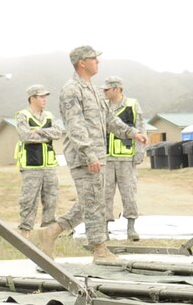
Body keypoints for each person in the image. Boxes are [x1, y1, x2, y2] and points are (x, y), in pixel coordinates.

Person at [40, 46, 143, 262]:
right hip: (85, 157)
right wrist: (89, 155)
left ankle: (51, 232)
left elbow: (109, 120)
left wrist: (133, 133)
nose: (98, 62)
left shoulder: (95, 90)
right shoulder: (71, 90)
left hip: (98, 156)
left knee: (91, 200)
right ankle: (99, 250)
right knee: (95, 201)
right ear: (81, 63)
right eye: (94, 58)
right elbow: (75, 126)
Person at [100, 74, 146, 243]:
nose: (104, 92)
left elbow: (140, 128)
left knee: (129, 193)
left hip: (126, 158)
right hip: (106, 157)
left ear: (116, 89)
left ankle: (131, 227)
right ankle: (104, 229)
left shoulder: (132, 104)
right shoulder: (102, 106)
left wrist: (139, 152)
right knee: (104, 194)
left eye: (107, 89)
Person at [14, 85, 61, 233]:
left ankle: (47, 231)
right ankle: (25, 231)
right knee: (29, 200)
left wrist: (39, 131)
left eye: (45, 97)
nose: (44, 100)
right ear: (32, 98)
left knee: (51, 199)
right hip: (31, 165)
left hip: (49, 166)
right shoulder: (23, 116)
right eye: (41, 97)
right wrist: (46, 135)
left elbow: (58, 133)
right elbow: (26, 136)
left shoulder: (49, 116)